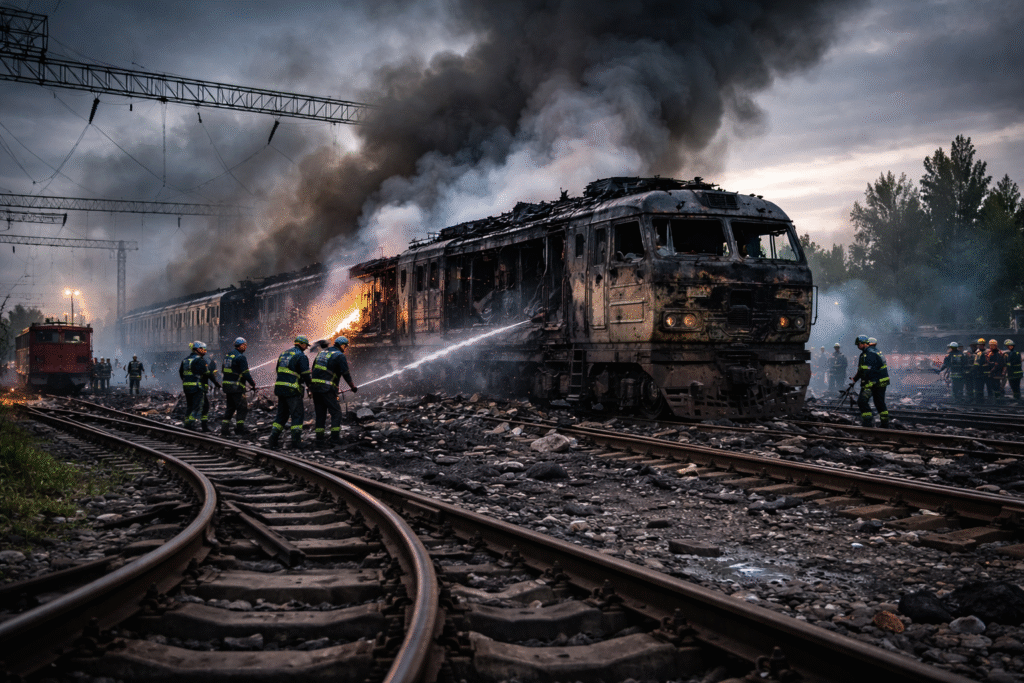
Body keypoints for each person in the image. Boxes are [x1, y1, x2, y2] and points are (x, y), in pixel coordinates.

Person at [310, 336, 359, 446]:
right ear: (342, 345)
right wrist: (352, 387)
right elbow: (346, 374)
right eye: (345, 346)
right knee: (336, 413)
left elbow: (313, 370)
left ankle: (319, 440)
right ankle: (335, 438)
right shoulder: (339, 355)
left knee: (320, 414)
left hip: (316, 388)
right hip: (327, 389)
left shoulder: (322, 353)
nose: (345, 348)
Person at [268, 335, 313, 449]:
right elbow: (305, 374)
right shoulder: (301, 356)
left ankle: (273, 438)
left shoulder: (284, 354)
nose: (306, 348)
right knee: (297, 415)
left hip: (280, 388)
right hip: (292, 389)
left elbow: (279, 370)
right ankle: (296, 441)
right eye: (306, 345)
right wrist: (310, 386)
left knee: (281, 415)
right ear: (302, 344)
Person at [851, 334, 889, 428]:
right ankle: (885, 425)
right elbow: (862, 370)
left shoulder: (869, 354)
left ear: (864, 343)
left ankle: (868, 423)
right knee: (879, 403)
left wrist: (868, 384)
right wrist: (854, 379)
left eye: (859, 344)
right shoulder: (872, 352)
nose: (858, 346)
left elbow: (870, 370)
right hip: (881, 381)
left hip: (874, 382)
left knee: (862, 401)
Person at [221, 337, 257, 436]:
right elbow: (245, 373)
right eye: (244, 345)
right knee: (242, 408)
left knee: (230, 408)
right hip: (236, 388)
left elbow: (223, 370)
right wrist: (252, 384)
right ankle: (239, 429)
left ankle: (224, 429)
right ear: (240, 345)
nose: (245, 348)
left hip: (227, 387)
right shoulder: (241, 357)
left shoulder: (228, 356)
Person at [179, 342, 207, 430]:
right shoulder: (199, 360)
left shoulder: (185, 360)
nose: (205, 351)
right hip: (196, 386)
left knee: (189, 406)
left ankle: (187, 423)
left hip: (187, 386)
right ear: (198, 349)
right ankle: (189, 423)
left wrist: (186, 380)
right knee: (197, 406)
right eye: (203, 349)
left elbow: (181, 372)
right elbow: (204, 374)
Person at [985, 339, 1006, 403]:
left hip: (996, 373)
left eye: (993, 345)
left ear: (996, 345)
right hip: (990, 373)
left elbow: (998, 364)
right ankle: (992, 399)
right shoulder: (989, 353)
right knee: (990, 387)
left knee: (997, 386)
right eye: (990, 345)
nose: (991, 347)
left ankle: (998, 399)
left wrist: (991, 370)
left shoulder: (999, 353)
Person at [974, 337, 992, 403]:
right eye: (979, 345)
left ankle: (990, 401)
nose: (980, 346)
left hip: (987, 374)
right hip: (979, 374)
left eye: (982, 344)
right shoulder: (977, 353)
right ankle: (980, 401)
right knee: (979, 389)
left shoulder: (988, 352)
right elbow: (975, 363)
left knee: (990, 388)